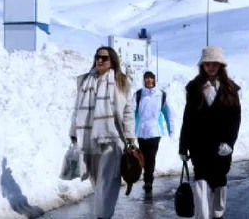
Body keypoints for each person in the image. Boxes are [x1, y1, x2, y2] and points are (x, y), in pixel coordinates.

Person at [69, 46, 136, 219]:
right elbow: (77, 108)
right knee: (95, 179)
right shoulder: (85, 81)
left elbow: (128, 111)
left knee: (108, 180)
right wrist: (73, 131)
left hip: (112, 138)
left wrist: (129, 136)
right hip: (89, 138)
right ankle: (103, 212)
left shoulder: (121, 81)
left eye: (104, 58)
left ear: (112, 61)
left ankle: (103, 215)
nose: (100, 60)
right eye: (97, 57)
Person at [178, 45, 241, 219]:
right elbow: (187, 119)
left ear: (221, 65)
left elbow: (235, 119)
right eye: (207, 63)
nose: (211, 67)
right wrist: (183, 147)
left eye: (215, 63)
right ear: (202, 65)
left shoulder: (230, 89)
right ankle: (202, 216)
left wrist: (230, 143)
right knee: (201, 179)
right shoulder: (193, 88)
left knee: (219, 181)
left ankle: (217, 215)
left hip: (222, 147)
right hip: (199, 145)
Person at [133, 70, 175, 193]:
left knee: (151, 157)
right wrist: (128, 130)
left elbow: (168, 114)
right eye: (146, 78)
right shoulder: (138, 95)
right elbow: (131, 112)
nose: (149, 80)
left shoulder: (161, 95)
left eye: (151, 78)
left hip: (155, 132)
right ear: (144, 80)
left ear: (154, 80)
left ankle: (148, 181)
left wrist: (171, 131)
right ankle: (147, 177)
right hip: (141, 132)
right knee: (143, 157)